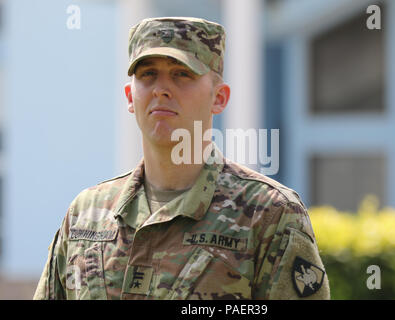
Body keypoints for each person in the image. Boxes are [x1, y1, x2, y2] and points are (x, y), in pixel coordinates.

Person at [33, 17, 330, 300]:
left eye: (182, 74)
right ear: (129, 96)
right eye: (148, 74)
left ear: (219, 98)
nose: (161, 89)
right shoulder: (86, 214)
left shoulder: (268, 215)